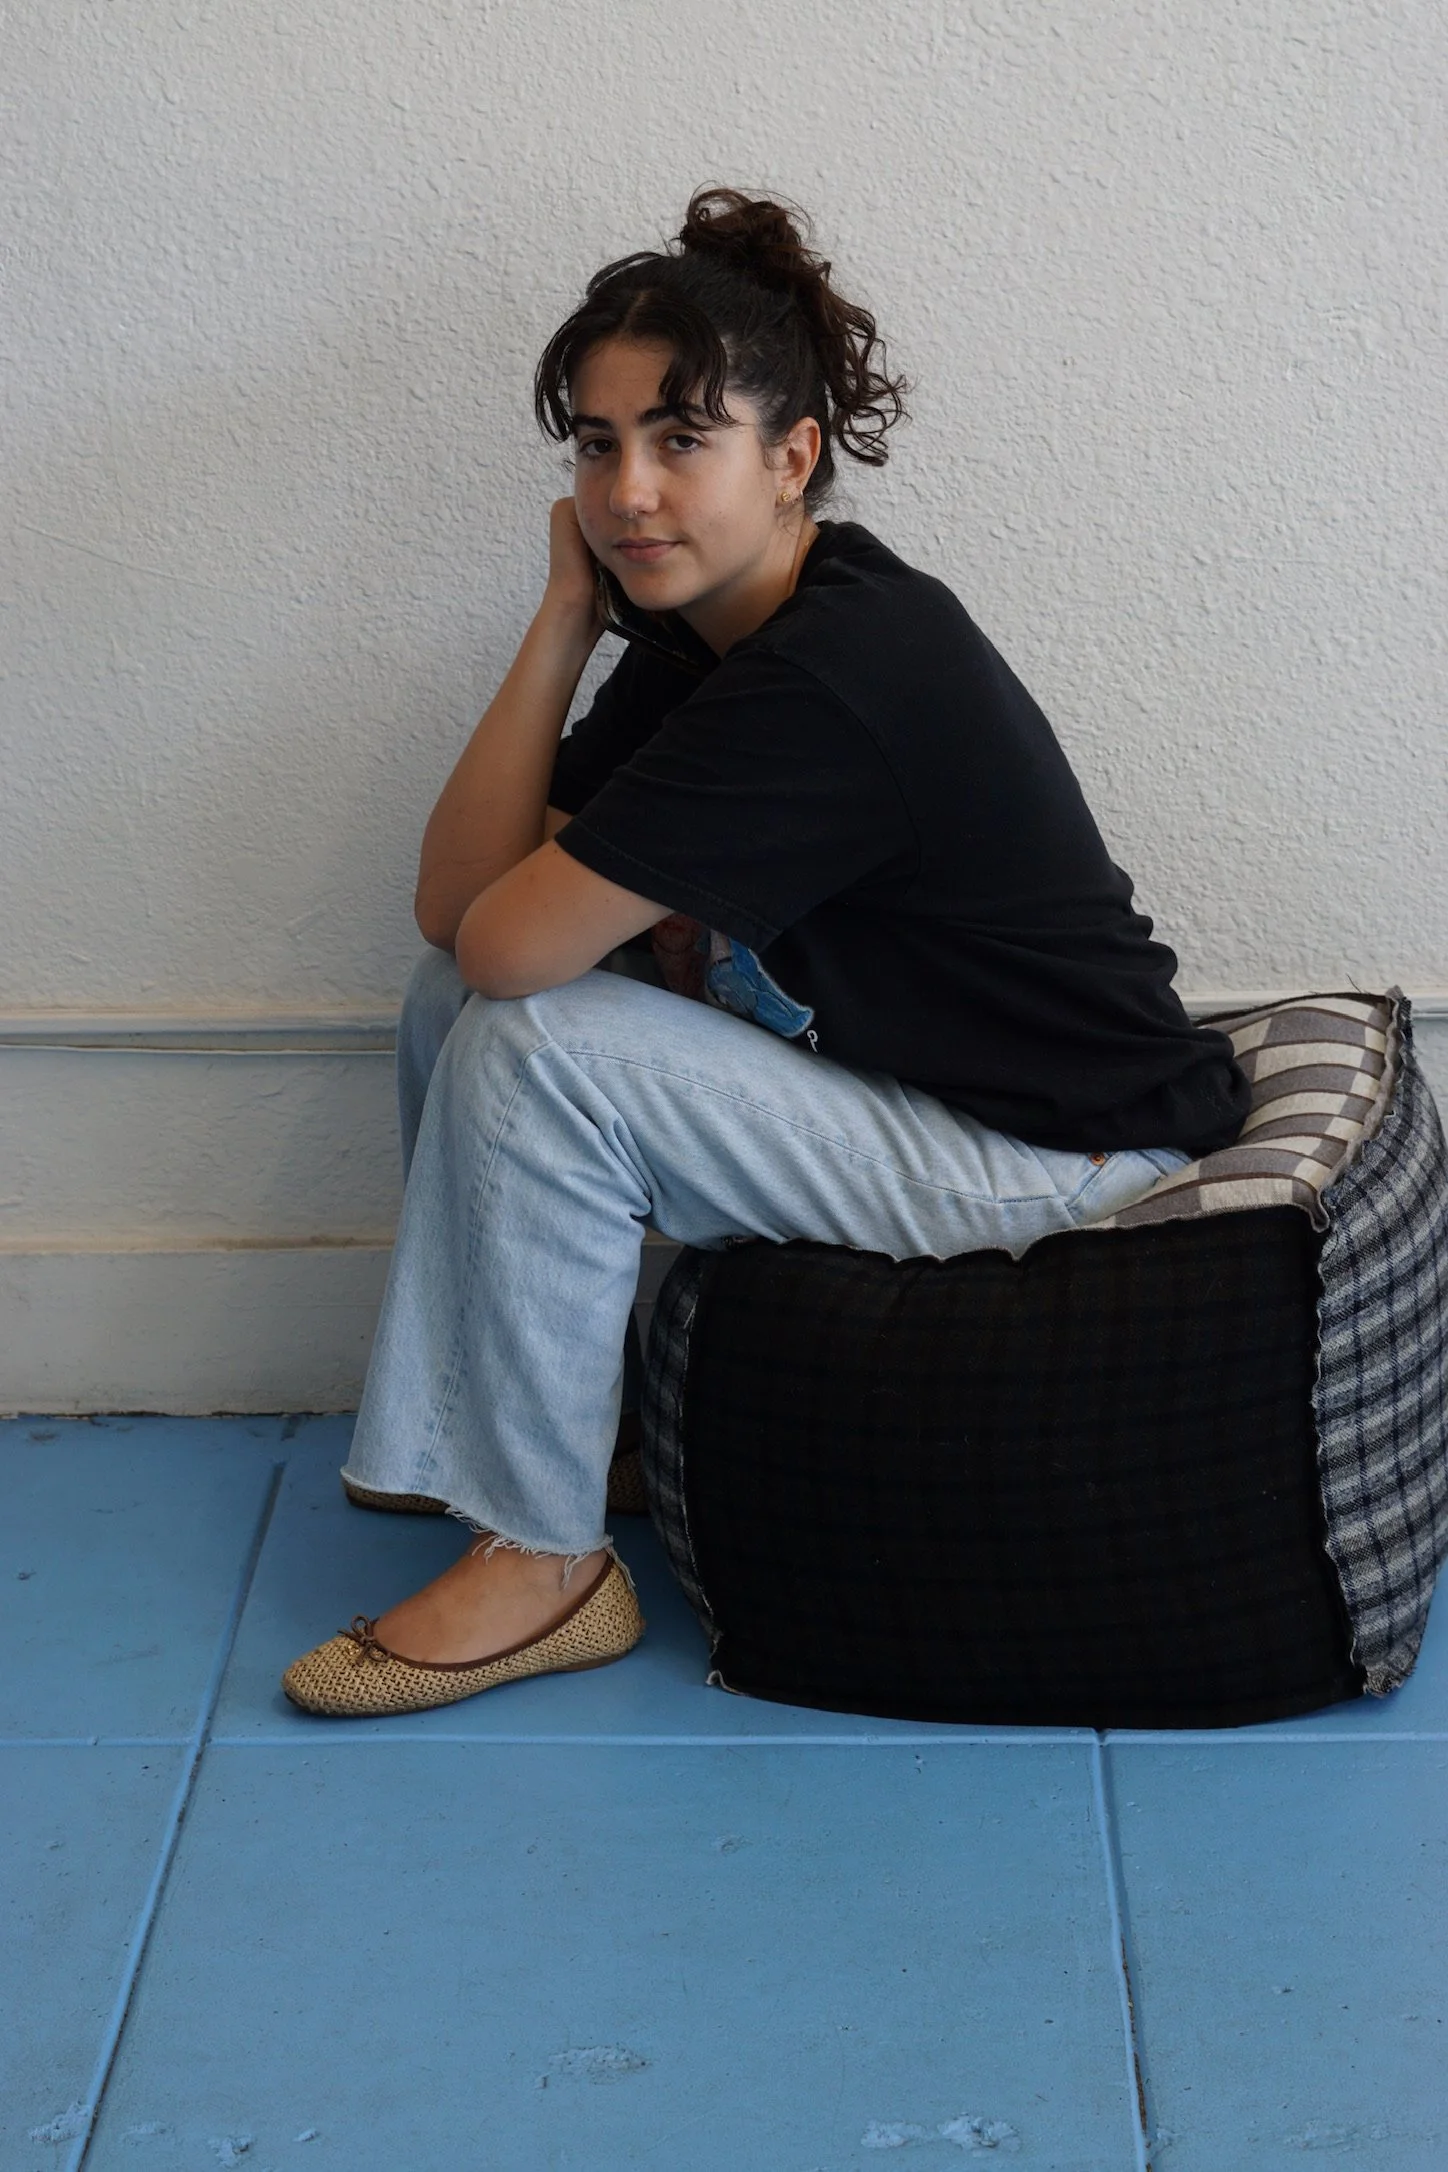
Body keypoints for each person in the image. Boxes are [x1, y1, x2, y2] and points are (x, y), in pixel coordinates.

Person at [282, 186, 1249, 1719]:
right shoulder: (706, 637)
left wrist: (578, 634)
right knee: (447, 996)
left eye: (682, 440)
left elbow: (519, 945)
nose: (629, 491)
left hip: (1058, 1155)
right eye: (597, 446)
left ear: (792, 458)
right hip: (911, 1098)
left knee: (532, 1035)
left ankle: (546, 1564)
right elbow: (454, 910)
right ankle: (537, 1433)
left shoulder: (842, 669)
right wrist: (563, 620)